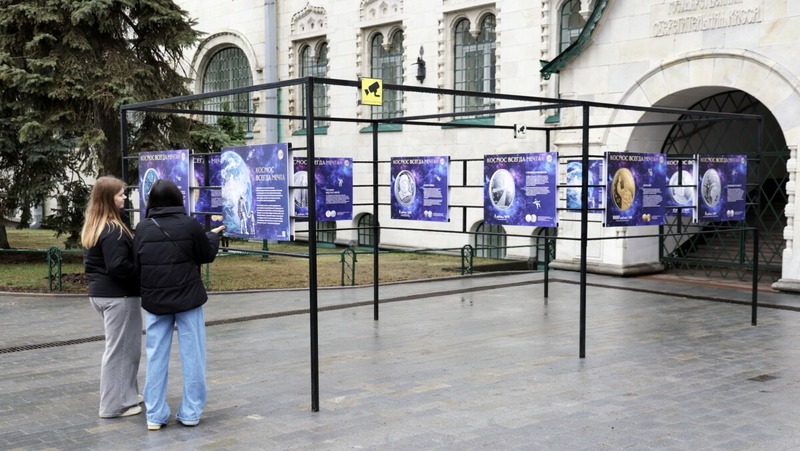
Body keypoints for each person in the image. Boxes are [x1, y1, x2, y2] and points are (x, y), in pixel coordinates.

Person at [133, 179, 225, 430]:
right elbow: (205, 255)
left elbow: (137, 263)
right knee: (193, 355)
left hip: (155, 301)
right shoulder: (190, 225)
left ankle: (154, 414)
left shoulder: (142, 228)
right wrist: (212, 238)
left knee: (155, 357)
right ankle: (191, 412)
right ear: (178, 199)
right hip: (188, 300)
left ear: (151, 200)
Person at [81, 176, 143, 418]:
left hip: (101, 294)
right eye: (120, 194)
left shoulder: (95, 224)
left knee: (126, 349)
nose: (124, 197)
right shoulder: (113, 230)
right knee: (121, 351)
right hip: (120, 298)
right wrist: (143, 276)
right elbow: (119, 267)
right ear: (108, 198)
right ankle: (113, 406)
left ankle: (126, 394)